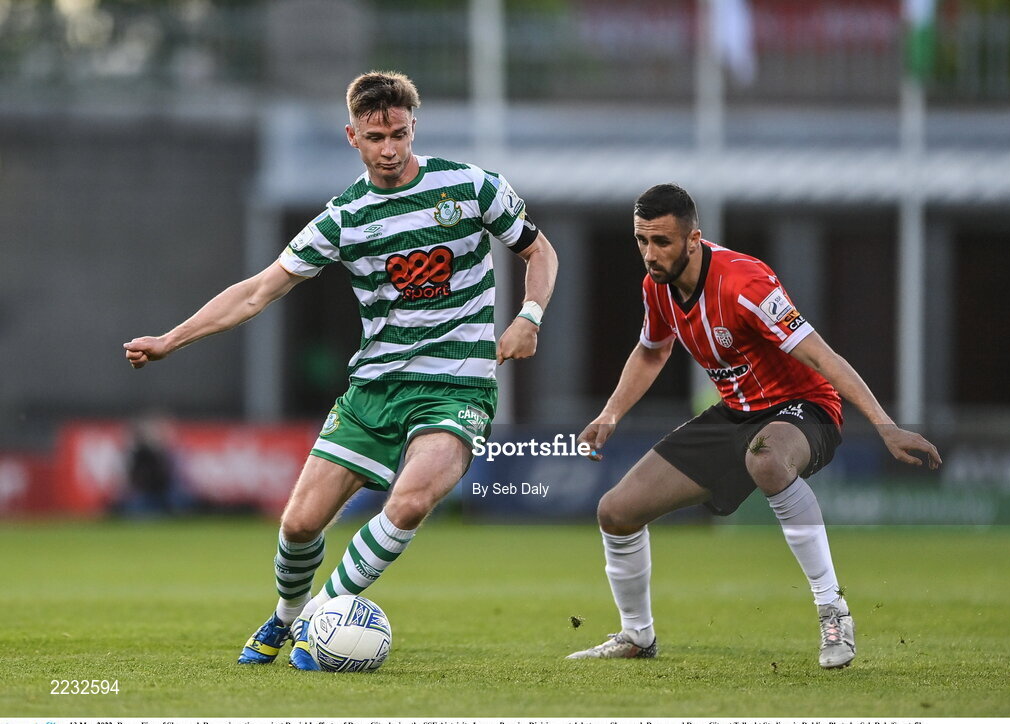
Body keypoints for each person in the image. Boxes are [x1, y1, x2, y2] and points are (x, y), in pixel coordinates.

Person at [124, 71, 558, 670]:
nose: (390, 149)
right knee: (299, 525)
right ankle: (286, 617)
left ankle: (319, 620)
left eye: (400, 134)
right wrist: (173, 339)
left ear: (414, 128)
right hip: (374, 387)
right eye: (376, 137)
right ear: (352, 135)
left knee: (407, 504)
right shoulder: (343, 217)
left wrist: (529, 316)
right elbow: (257, 292)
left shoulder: (471, 187)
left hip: (457, 385)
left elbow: (539, 250)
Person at [567, 184, 939, 669]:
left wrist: (886, 426)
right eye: (641, 240)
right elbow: (653, 350)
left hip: (804, 409)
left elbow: (821, 356)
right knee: (616, 511)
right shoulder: (656, 287)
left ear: (694, 239)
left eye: (662, 242)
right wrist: (611, 413)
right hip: (736, 416)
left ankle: (833, 609)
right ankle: (637, 635)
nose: (650, 255)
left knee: (765, 457)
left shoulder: (746, 284)